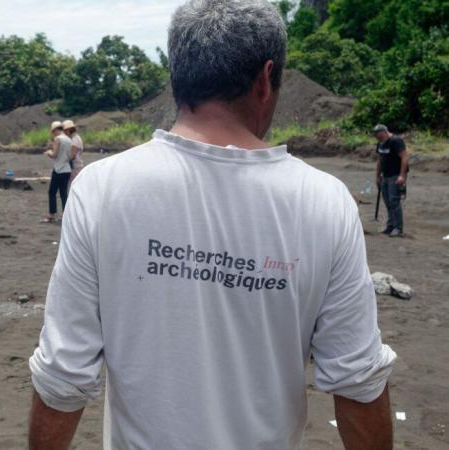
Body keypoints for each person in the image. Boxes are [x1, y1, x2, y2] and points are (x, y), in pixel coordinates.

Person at [27, 1, 396, 449]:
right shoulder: (324, 201)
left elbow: (63, 375)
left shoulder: (102, 189)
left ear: (176, 77)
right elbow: (357, 382)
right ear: (266, 79)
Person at [374, 124, 408, 237]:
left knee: (394, 201)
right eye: (377, 137)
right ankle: (390, 226)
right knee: (387, 201)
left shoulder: (396, 141)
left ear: (384, 132)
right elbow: (380, 159)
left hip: (395, 175)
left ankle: (398, 228)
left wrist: (402, 175)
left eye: (380, 136)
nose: (379, 139)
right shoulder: (381, 143)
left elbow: (404, 157)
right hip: (385, 175)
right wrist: (377, 176)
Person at [43, 121, 72, 223]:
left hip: (58, 169)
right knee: (64, 193)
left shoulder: (58, 139)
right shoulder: (69, 139)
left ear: (55, 130)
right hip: (67, 169)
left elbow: (54, 155)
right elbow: (70, 156)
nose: (53, 133)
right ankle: (65, 215)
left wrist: (48, 152)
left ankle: (51, 215)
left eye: (53, 131)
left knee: (52, 192)